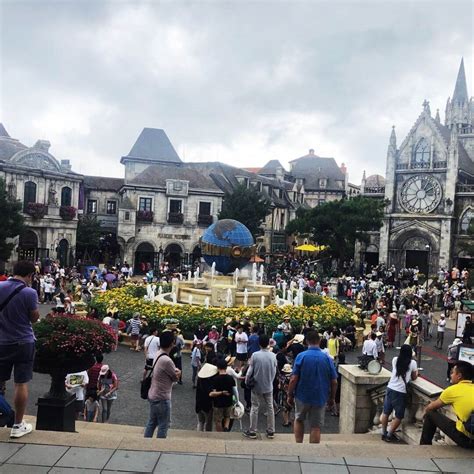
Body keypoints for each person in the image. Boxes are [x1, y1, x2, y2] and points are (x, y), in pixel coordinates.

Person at [0, 260, 40, 438]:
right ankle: (17, 425)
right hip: (23, 341)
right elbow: (33, 318)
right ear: (30, 275)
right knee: (20, 383)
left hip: (1, 341)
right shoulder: (29, 292)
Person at [287, 331, 337, 444]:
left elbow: (293, 378)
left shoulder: (301, 356)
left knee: (299, 419)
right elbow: (334, 381)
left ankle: (299, 445)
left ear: (306, 342)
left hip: (302, 395)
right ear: (319, 341)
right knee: (315, 426)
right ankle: (313, 452)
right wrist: (332, 398)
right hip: (320, 396)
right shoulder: (327, 358)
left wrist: (289, 394)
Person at [420, 361, 474, 448]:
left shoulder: (452, 390)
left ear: (459, 376)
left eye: (453, 372)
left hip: (467, 440)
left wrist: (424, 414)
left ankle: (424, 448)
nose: (451, 375)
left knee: (430, 414)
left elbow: (431, 407)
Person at [144, 330, 180, 438]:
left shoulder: (158, 354)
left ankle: (145, 443)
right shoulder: (167, 360)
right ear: (172, 343)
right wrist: (179, 372)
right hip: (162, 396)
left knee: (152, 422)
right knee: (164, 424)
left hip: (153, 393)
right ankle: (159, 446)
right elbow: (175, 378)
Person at [380, 345, 418, 442]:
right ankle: (389, 434)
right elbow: (414, 377)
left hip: (390, 388)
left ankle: (383, 432)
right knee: (399, 415)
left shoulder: (395, 360)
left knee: (386, 412)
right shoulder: (412, 362)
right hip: (400, 391)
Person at [243, 334, 277, 440]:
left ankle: (252, 431)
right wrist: (270, 381)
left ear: (259, 343)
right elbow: (274, 371)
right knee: (270, 407)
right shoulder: (273, 355)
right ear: (268, 343)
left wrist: (246, 380)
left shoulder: (255, 355)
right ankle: (271, 431)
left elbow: (250, 371)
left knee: (254, 407)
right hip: (268, 385)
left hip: (256, 385)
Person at [209, 358, 235, 432]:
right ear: (226, 367)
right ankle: (226, 429)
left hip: (218, 403)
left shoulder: (215, 379)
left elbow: (212, 394)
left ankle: (220, 434)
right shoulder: (230, 378)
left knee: (218, 420)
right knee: (227, 417)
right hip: (229, 401)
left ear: (217, 367)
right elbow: (234, 390)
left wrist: (221, 392)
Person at [195, 363, 217, 432]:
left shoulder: (199, 380)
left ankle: (199, 435)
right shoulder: (209, 382)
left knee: (200, 422)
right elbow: (210, 393)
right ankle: (207, 437)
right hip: (207, 405)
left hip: (198, 404)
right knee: (208, 423)